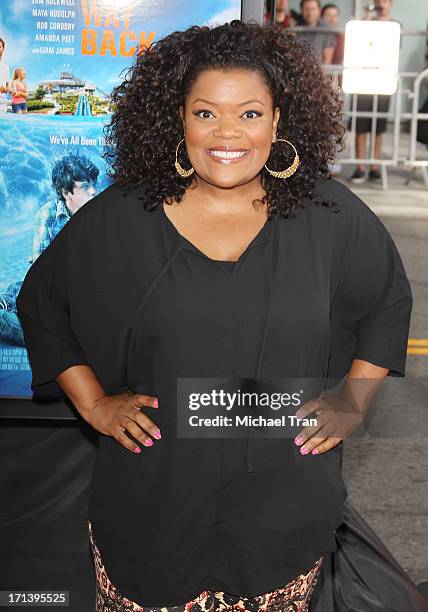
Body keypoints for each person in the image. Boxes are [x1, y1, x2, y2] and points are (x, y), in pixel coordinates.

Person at [15, 20, 424, 612]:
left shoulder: (329, 215)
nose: (227, 133)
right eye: (206, 113)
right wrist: (96, 404)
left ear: (279, 119)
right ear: (177, 118)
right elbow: (42, 300)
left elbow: (388, 299)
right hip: (153, 509)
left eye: (250, 114)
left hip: (280, 515)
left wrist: (354, 401)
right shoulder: (123, 216)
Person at [349, 0, 401, 183]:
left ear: (391, 3)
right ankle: (360, 166)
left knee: (378, 127)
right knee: (360, 125)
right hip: (362, 80)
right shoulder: (362, 24)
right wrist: (367, 21)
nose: (381, 4)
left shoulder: (395, 26)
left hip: (382, 82)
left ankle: (374, 166)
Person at [31, 153, 99, 263]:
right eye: (85, 186)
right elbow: (39, 267)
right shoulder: (48, 215)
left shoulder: (100, 211)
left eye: (94, 184)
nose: (94, 191)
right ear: (66, 193)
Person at [295, 0, 336, 64]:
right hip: (298, 69)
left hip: (318, 70)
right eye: (306, 9)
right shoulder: (295, 28)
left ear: (319, 11)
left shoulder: (327, 30)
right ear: (301, 11)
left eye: (313, 9)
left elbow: (327, 60)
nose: (310, 13)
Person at [0, 37, 10, 113]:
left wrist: (9, 90)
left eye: (0, 46)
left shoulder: (6, 67)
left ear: (3, 49)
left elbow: (7, 85)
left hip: (3, 103)